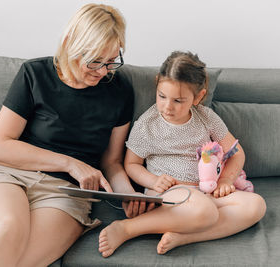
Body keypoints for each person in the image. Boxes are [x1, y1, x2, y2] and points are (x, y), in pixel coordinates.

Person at [0, 4, 148, 266]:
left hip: (66, 193)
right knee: (6, 228)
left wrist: (128, 195)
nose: (103, 71)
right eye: (95, 60)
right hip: (9, 173)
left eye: (112, 61)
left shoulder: (120, 91)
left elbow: (111, 162)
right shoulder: (34, 74)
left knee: (25, 259)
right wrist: (71, 164)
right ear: (70, 43)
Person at [98, 51, 267, 257]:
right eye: (162, 96)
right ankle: (127, 228)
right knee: (204, 210)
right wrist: (153, 181)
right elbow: (131, 164)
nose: (167, 107)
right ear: (157, 84)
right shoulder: (147, 125)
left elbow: (236, 153)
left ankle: (186, 236)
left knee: (255, 205)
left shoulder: (206, 118)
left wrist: (225, 180)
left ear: (198, 97)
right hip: (170, 194)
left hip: (206, 193)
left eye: (178, 100)